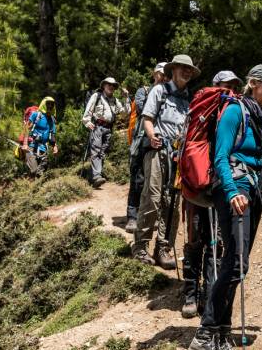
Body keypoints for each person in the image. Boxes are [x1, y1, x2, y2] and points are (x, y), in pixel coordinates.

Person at [188, 65, 262, 350]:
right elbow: (221, 156)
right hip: (234, 192)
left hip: (248, 190)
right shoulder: (235, 111)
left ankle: (221, 333)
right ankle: (205, 334)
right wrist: (231, 190)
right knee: (237, 263)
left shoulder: (256, 116)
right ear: (252, 84)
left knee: (236, 264)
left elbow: (251, 160)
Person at [180, 70, 244, 318]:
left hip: (208, 183)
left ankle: (202, 294)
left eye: (232, 87)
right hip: (205, 182)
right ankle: (193, 293)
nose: (230, 91)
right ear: (216, 86)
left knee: (209, 241)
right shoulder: (206, 109)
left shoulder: (209, 109)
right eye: (227, 86)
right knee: (204, 240)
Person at [133, 55, 199, 269]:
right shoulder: (160, 91)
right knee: (152, 197)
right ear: (173, 70)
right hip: (158, 150)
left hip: (178, 156)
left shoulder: (188, 99)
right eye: (183, 68)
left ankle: (163, 248)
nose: (187, 72)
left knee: (172, 202)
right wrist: (152, 137)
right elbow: (147, 118)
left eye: (189, 69)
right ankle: (140, 247)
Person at [126, 63, 167, 232]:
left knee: (156, 183)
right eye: (160, 73)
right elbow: (144, 110)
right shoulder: (144, 91)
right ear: (154, 74)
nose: (163, 77)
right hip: (142, 140)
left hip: (159, 143)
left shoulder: (171, 95)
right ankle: (132, 217)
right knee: (138, 179)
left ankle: (151, 217)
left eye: (166, 74)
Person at [83, 77, 130, 187]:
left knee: (102, 153)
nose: (111, 87)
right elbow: (89, 109)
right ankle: (97, 176)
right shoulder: (97, 96)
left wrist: (126, 97)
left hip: (109, 129)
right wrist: (87, 122)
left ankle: (93, 177)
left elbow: (125, 113)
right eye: (108, 84)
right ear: (103, 86)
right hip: (97, 126)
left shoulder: (115, 100)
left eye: (113, 85)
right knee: (96, 151)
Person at [22, 97, 59, 177]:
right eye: (48, 104)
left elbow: (52, 135)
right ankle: (30, 185)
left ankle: (37, 187)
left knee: (42, 173)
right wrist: (25, 144)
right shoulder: (36, 115)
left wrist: (55, 147)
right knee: (34, 170)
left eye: (52, 104)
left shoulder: (51, 120)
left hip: (43, 149)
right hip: (31, 147)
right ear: (44, 104)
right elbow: (27, 129)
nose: (50, 106)